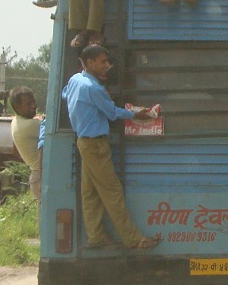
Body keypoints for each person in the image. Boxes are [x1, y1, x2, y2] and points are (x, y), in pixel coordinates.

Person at [61, 45, 161, 250]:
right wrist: (137, 114)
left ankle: (96, 236)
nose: (107, 65)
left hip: (84, 142)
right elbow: (112, 113)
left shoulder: (75, 80)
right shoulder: (94, 88)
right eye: (103, 61)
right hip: (96, 145)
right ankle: (134, 239)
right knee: (112, 191)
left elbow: (65, 95)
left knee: (90, 193)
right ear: (89, 62)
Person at [9, 86, 43, 205]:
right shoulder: (30, 125)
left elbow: (15, 152)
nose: (34, 106)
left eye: (34, 101)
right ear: (17, 107)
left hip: (36, 175)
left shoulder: (15, 122)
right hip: (41, 176)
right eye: (28, 104)